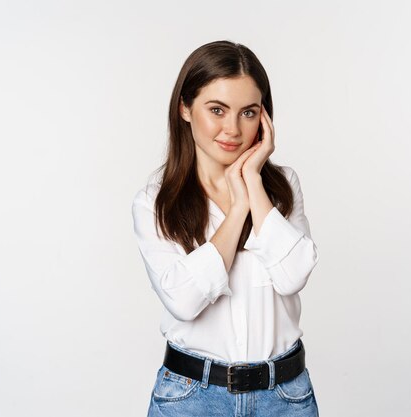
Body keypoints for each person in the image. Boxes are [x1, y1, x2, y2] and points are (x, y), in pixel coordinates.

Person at [131, 40, 320, 416]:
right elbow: (184, 302)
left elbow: (293, 275)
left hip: (284, 398)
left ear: (264, 118)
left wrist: (252, 179)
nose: (232, 129)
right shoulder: (155, 201)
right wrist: (237, 213)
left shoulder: (284, 187)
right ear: (185, 108)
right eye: (216, 109)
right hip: (191, 400)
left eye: (248, 112)